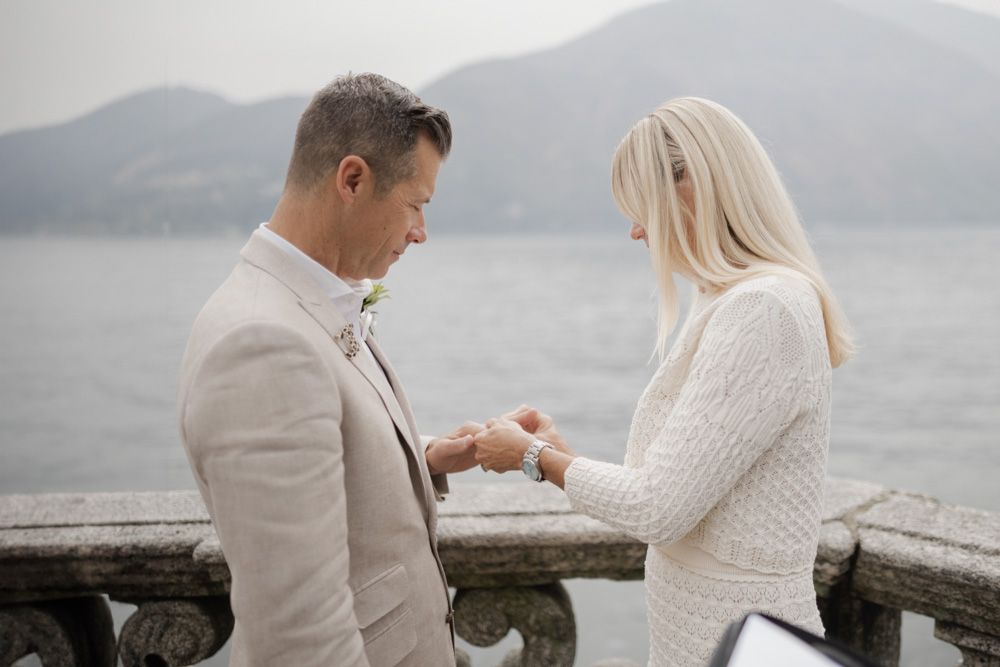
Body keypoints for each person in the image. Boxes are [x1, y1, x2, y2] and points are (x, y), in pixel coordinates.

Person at [473, 97, 855, 667]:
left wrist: (533, 457)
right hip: (709, 638)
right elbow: (675, 492)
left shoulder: (764, 309)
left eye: (641, 208)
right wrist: (562, 456)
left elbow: (658, 510)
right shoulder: (728, 298)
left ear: (692, 187)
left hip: (746, 644)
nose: (634, 231)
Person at [176, 73, 480, 666]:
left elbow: (316, 441)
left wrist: (425, 454)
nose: (421, 232)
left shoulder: (312, 298)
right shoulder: (260, 344)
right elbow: (299, 637)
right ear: (353, 179)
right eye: (416, 204)